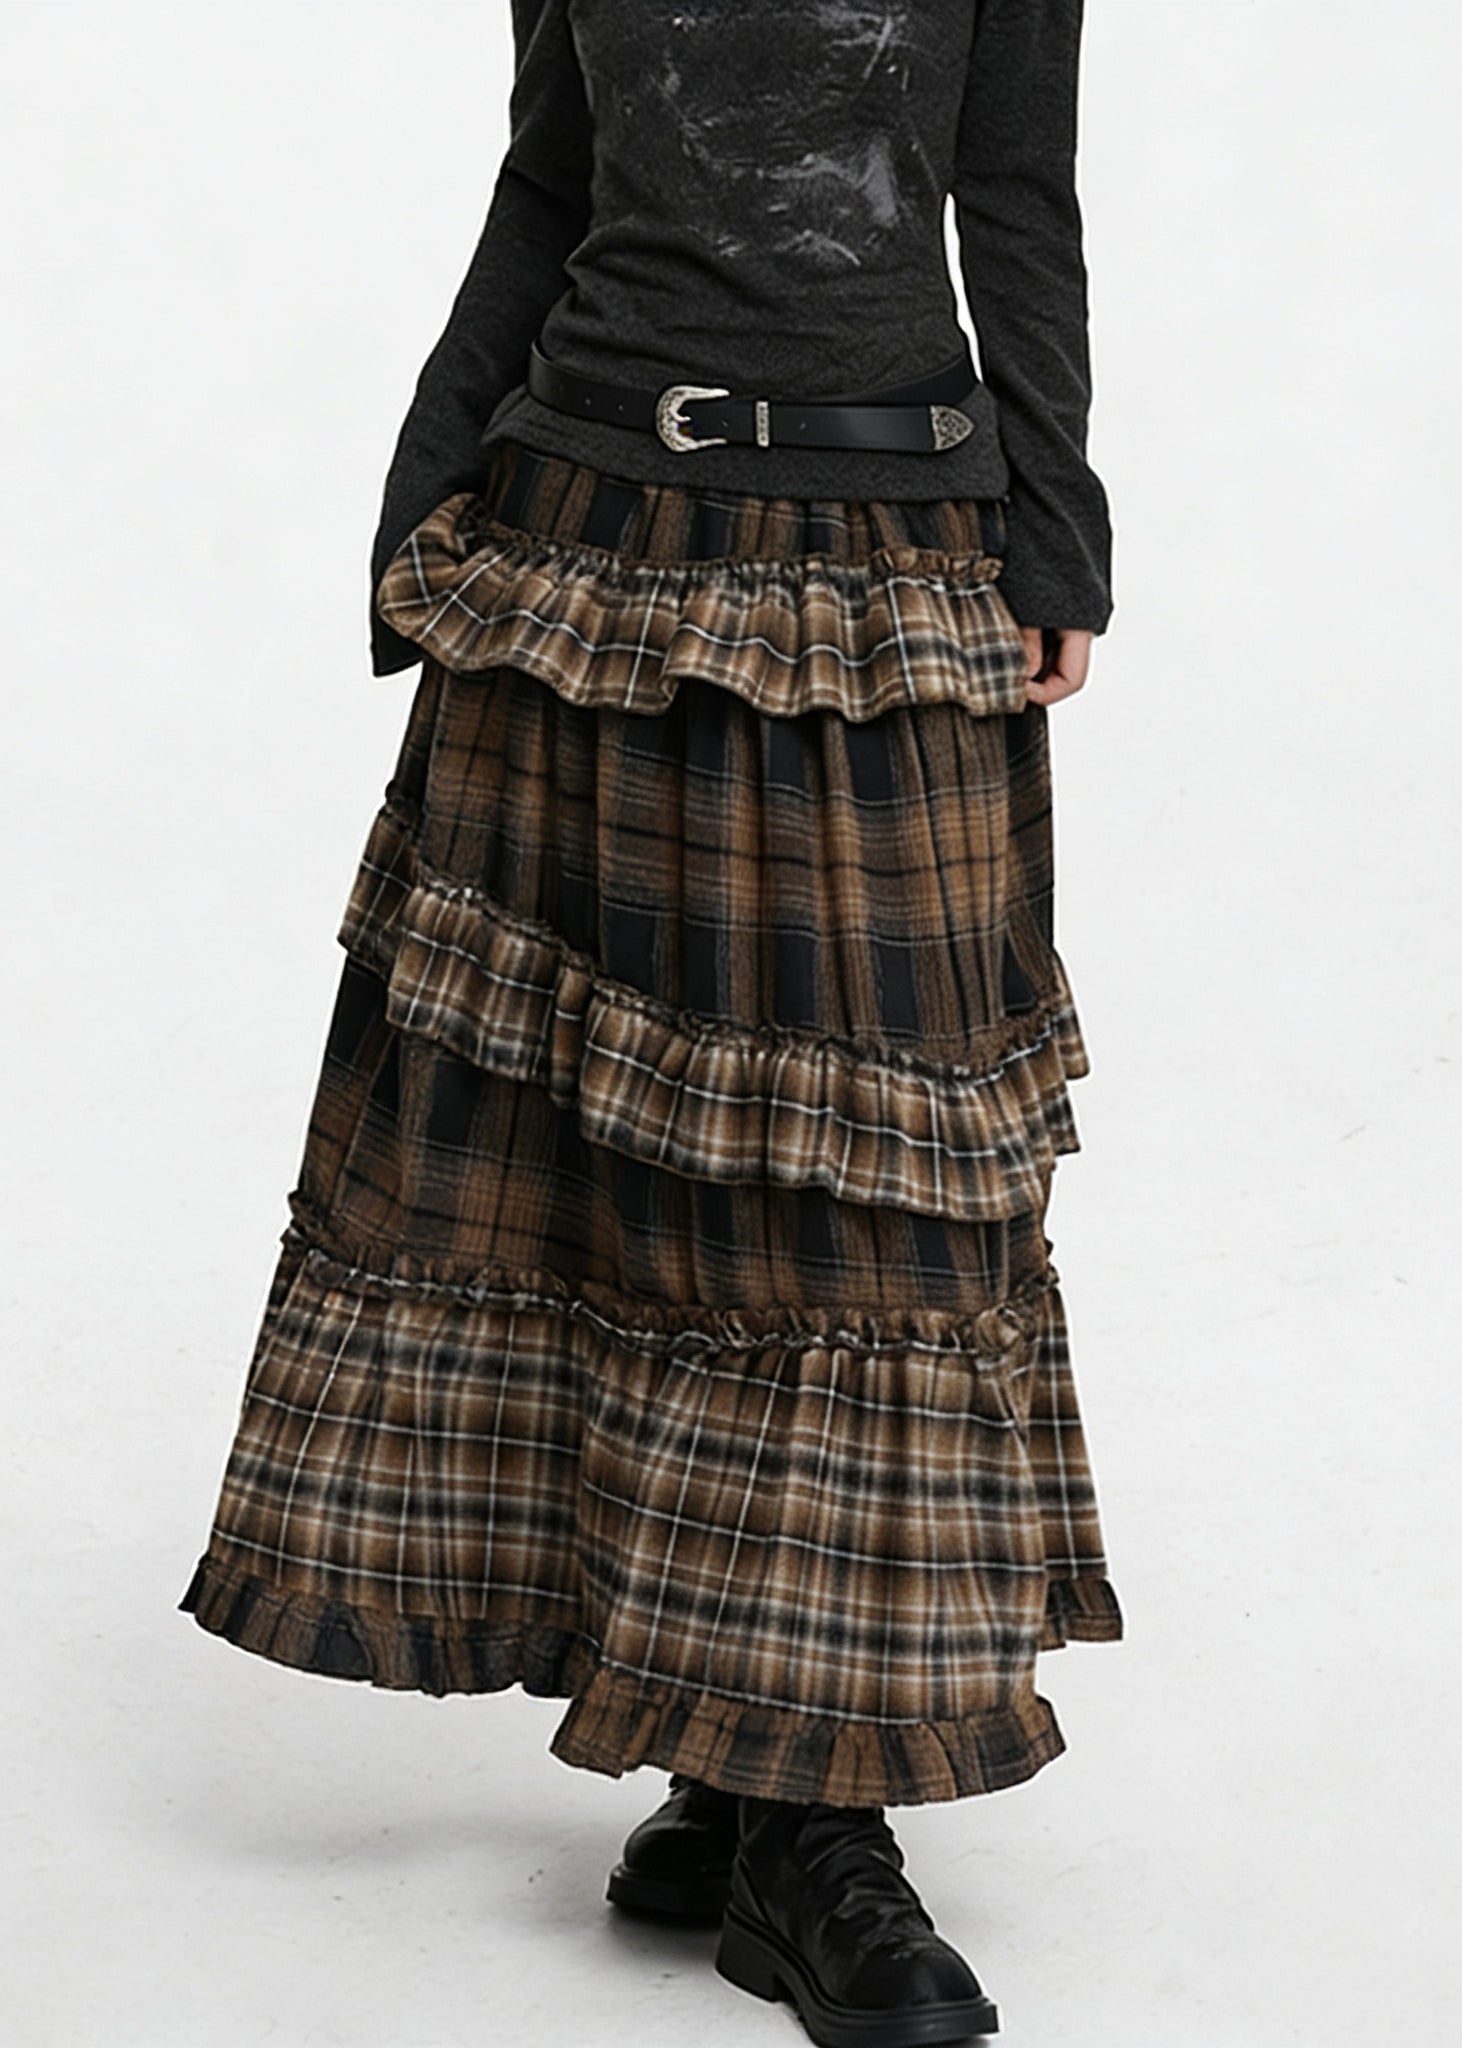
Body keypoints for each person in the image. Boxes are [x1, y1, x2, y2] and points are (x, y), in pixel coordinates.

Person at [178, 2, 1124, 2041]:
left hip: (882, 554)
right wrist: (421, 500)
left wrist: (1057, 525)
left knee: (858, 1202)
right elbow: (548, 180)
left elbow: (1014, 192)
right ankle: (745, 1767)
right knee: (608, 1173)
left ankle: (807, 1806)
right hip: (587, 545)